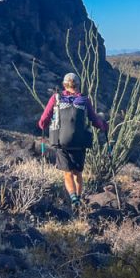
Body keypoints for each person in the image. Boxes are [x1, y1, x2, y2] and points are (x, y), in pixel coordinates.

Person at [38, 73, 108, 211]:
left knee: (67, 173)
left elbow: (44, 120)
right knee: (77, 172)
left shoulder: (56, 98)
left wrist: (42, 125)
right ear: (77, 84)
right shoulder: (84, 100)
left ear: (64, 84)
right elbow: (94, 120)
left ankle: (73, 198)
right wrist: (104, 126)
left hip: (61, 141)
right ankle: (79, 199)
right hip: (79, 142)